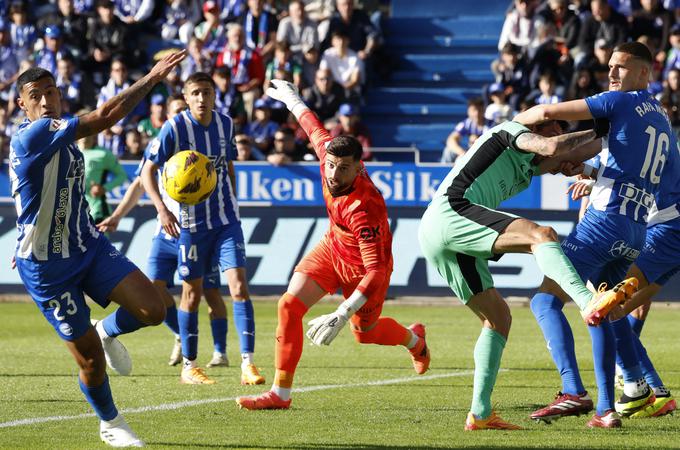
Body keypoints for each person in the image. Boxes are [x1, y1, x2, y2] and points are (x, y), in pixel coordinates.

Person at [9, 50, 185, 447]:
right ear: (21, 103)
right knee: (88, 359)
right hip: (47, 267)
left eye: (50, 92)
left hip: (86, 243)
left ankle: (107, 330)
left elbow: (55, 195)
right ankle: (110, 421)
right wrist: (152, 77)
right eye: (34, 95)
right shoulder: (32, 135)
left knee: (153, 308)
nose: (44, 100)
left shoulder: (64, 137)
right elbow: (106, 115)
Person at [418, 112, 634, 430]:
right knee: (542, 235)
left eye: (563, 128)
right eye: (556, 125)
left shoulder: (530, 167)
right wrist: (600, 127)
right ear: (537, 126)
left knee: (498, 318)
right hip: (452, 211)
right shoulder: (512, 132)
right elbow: (550, 147)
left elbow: (571, 152)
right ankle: (589, 301)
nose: (560, 132)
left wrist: (617, 136)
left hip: (439, 233)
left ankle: (480, 414)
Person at [236, 80, 430, 411]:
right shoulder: (328, 155)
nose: (334, 173)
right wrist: (292, 98)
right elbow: (312, 126)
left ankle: (415, 341)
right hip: (332, 247)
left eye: (343, 168)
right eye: (330, 165)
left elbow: (377, 270)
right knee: (288, 306)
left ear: (359, 167)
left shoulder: (363, 208)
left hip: (364, 267)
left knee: (364, 333)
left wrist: (343, 310)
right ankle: (280, 394)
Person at [514, 41, 675, 427]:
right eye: (610, 67)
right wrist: (592, 173)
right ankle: (615, 402)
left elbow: (548, 111)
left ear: (645, 73)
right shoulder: (662, 118)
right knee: (606, 309)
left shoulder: (617, 103)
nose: (613, 73)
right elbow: (630, 164)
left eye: (621, 66)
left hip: (605, 222)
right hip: (635, 229)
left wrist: (506, 128)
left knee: (544, 302)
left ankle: (574, 391)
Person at [141, 72, 264, 386]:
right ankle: (190, 366)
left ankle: (248, 363)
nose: (201, 98)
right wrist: (162, 208)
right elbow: (147, 171)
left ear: (213, 95)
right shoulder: (175, 127)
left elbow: (228, 164)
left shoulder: (225, 124)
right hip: (192, 226)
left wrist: (233, 198)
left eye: (206, 92)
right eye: (195, 93)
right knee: (192, 296)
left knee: (238, 287)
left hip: (225, 222)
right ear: (186, 96)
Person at [98, 94, 234, 369]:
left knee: (208, 293)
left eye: (184, 111)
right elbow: (139, 184)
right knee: (154, 291)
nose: (182, 116)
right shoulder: (161, 145)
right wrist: (116, 216)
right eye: (177, 111)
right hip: (165, 233)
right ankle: (179, 336)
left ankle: (219, 352)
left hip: (198, 232)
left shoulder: (201, 150)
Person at [79, 132, 127, 225]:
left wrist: (104, 188)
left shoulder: (103, 154)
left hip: (95, 207)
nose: (85, 136)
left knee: (98, 237)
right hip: (73, 207)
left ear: (94, 135)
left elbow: (122, 175)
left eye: (88, 132)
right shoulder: (69, 152)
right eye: (82, 131)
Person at [441, 97, 487, 163]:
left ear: (484, 110)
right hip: (469, 153)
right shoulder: (467, 123)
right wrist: (462, 153)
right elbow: (451, 140)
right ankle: (443, 172)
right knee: (448, 151)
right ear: (468, 111)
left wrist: (478, 141)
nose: (477, 113)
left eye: (479, 110)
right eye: (474, 110)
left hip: (484, 154)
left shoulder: (491, 124)